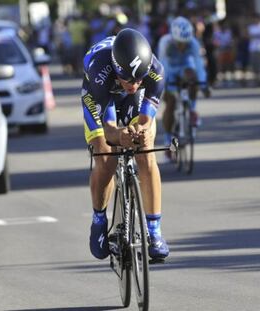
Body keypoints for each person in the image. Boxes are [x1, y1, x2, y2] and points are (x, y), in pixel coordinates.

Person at [82, 28, 169, 261]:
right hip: (99, 94)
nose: (134, 83)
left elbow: (146, 118)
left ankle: (154, 232)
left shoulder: (156, 72)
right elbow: (110, 128)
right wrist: (119, 135)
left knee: (146, 150)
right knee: (106, 153)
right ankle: (99, 220)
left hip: (132, 101)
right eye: (129, 79)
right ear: (118, 70)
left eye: (140, 78)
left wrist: (141, 130)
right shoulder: (100, 68)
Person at [157, 16, 210, 162]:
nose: (182, 47)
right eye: (179, 43)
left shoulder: (193, 43)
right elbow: (162, 66)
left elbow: (198, 65)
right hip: (169, 70)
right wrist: (166, 86)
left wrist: (203, 84)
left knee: (192, 77)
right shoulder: (165, 42)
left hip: (185, 68)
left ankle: (191, 109)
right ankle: (168, 141)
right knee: (171, 102)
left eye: (184, 43)